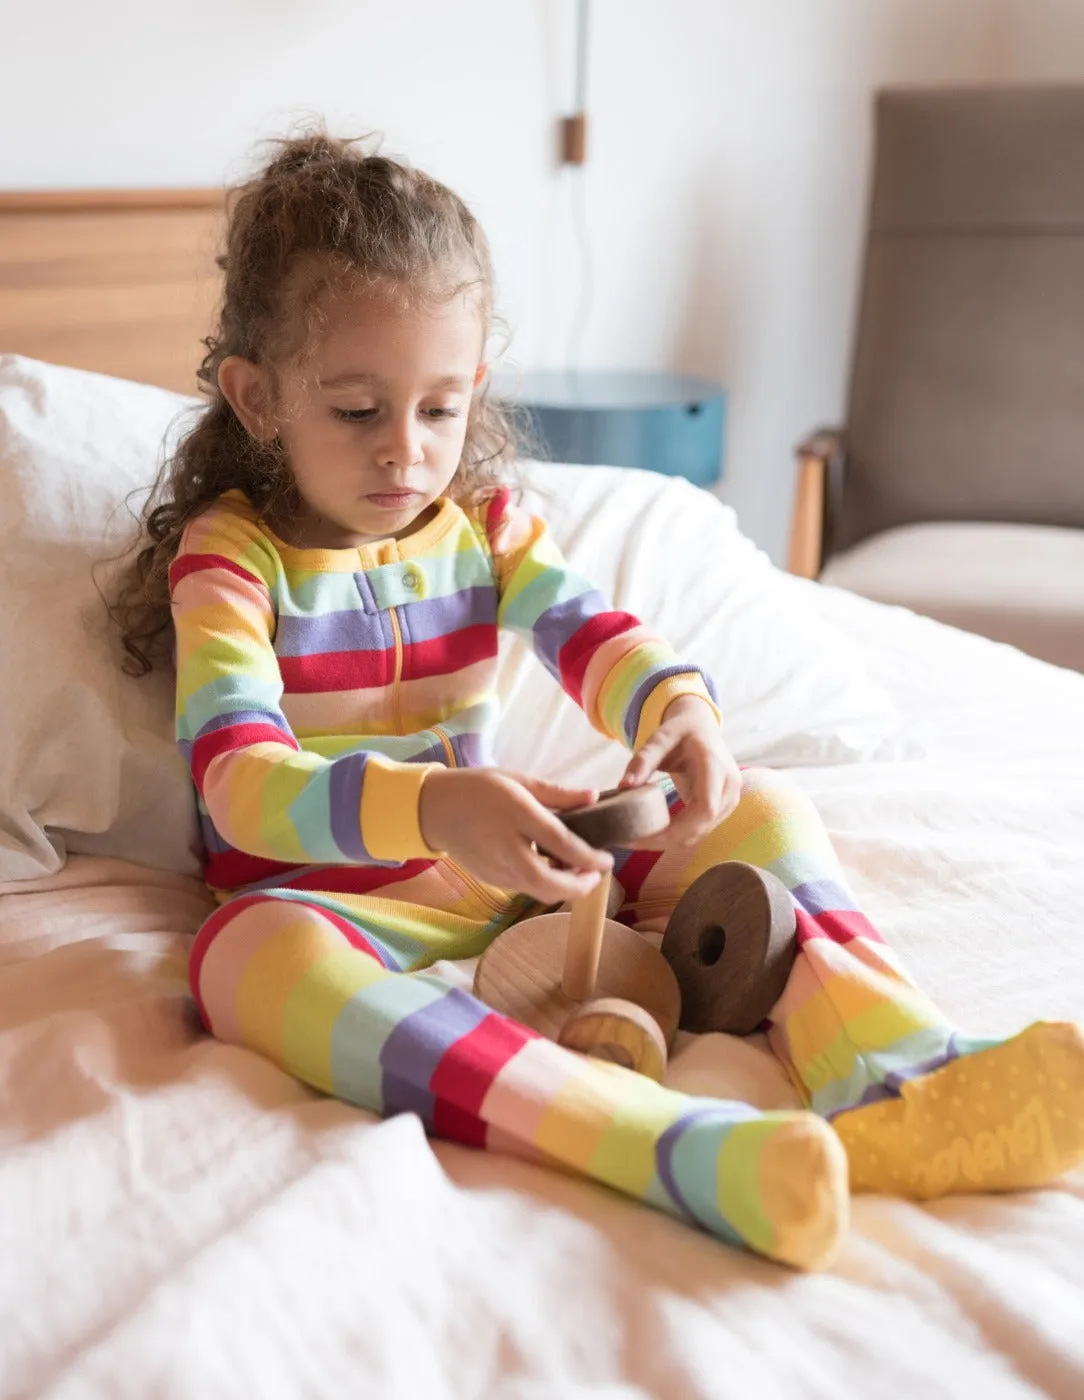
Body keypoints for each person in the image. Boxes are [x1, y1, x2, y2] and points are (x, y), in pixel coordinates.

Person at [115, 131, 1084, 1272]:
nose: (407, 455)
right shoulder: (231, 559)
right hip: (341, 908)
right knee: (241, 957)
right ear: (258, 397)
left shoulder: (486, 524)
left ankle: (899, 1073)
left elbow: (595, 635)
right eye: (358, 409)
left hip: (530, 875)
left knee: (762, 807)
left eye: (436, 409)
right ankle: (665, 1145)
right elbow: (237, 787)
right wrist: (430, 808)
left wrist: (677, 712)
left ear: (473, 387)